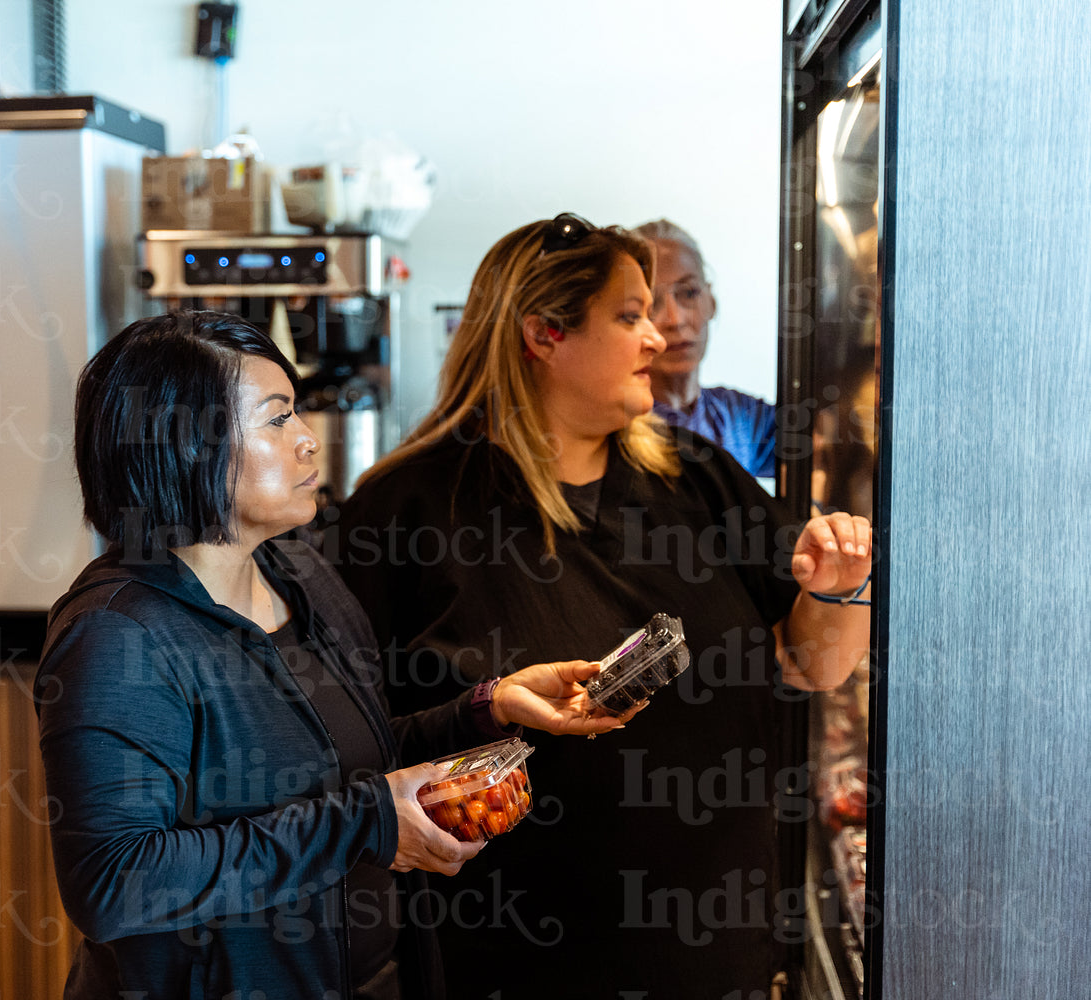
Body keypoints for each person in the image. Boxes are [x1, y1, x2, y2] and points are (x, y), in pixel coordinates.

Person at [334, 215, 872, 998]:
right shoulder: (407, 507)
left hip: (715, 949)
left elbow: (813, 665)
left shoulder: (696, 477)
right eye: (629, 316)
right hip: (513, 957)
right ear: (545, 334)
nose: (658, 337)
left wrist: (838, 586)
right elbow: (344, 740)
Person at [33, 310, 635, 1000]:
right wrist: (368, 822)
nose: (308, 442)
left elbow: (347, 766)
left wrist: (487, 709)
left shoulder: (299, 572)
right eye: (277, 419)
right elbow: (116, 881)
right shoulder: (119, 635)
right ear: (187, 445)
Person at [633, 218, 778, 480]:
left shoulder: (742, 420)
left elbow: (833, 444)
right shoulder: (613, 424)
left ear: (711, 301)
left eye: (688, 293)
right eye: (651, 302)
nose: (675, 320)